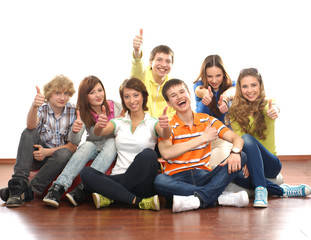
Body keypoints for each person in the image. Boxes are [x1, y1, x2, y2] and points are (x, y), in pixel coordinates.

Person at [154, 78, 249, 213]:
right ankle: (217, 198)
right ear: (169, 103)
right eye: (173, 95)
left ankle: (197, 199)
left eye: (182, 92)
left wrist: (235, 152)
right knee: (159, 180)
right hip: (177, 179)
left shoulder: (207, 120)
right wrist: (203, 138)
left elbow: (236, 138)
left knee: (242, 155)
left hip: (204, 176)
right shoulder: (166, 125)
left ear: (189, 94)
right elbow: (167, 153)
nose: (179, 96)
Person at [80, 77, 171, 211]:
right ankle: (139, 202)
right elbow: (100, 132)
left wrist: (166, 126)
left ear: (143, 97)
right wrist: (99, 125)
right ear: (123, 100)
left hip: (142, 183)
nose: (132, 100)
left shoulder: (153, 122)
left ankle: (111, 196)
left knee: (149, 155)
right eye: (127, 96)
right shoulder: (119, 122)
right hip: (118, 174)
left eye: (136, 95)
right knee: (86, 173)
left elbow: (165, 134)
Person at [227, 68, 311, 208]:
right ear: (240, 88)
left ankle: (260, 190)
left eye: (254, 85)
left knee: (247, 138)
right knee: (231, 173)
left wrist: (275, 111)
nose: (250, 90)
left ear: (260, 85)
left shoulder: (268, 104)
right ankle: (283, 191)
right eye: (245, 86)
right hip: (249, 162)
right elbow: (238, 139)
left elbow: (275, 108)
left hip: (270, 164)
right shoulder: (235, 111)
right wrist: (246, 162)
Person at [42, 76, 123, 208]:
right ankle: (58, 187)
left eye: (99, 90)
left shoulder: (116, 107)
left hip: (111, 146)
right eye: (92, 93)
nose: (98, 95)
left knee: (112, 142)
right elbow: (75, 141)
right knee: (86, 145)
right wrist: (75, 129)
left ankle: (83, 188)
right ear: (85, 96)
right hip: (94, 144)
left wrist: (120, 121)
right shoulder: (83, 111)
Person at [0, 75, 77, 207]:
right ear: (49, 94)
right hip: (37, 157)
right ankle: (18, 182)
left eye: (66, 93)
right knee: (28, 132)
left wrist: (47, 152)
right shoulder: (43, 108)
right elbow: (30, 126)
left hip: (57, 159)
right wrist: (34, 106)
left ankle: (24, 191)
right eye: (57, 93)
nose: (62, 97)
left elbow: (72, 147)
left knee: (65, 153)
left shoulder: (73, 111)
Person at [193, 55, 236, 167]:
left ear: (224, 74)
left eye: (218, 75)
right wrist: (206, 96)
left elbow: (234, 90)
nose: (214, 80)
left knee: (215, 164)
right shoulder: (199, 86)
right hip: (202, 138)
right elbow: (199, 91)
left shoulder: (232, 85)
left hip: (223, 138)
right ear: (204, 75)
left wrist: (225, 98)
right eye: (209, 76)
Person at [131, 28, 175, 119]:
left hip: (163, 128)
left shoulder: (174, 86)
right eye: (159, 60)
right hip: (141, 126)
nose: (163, 65)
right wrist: (137, 52)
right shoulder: (142, 77)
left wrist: (161, 124)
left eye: (168, 61)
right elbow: (138, 67)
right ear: (150, 62)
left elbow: (177, 112)